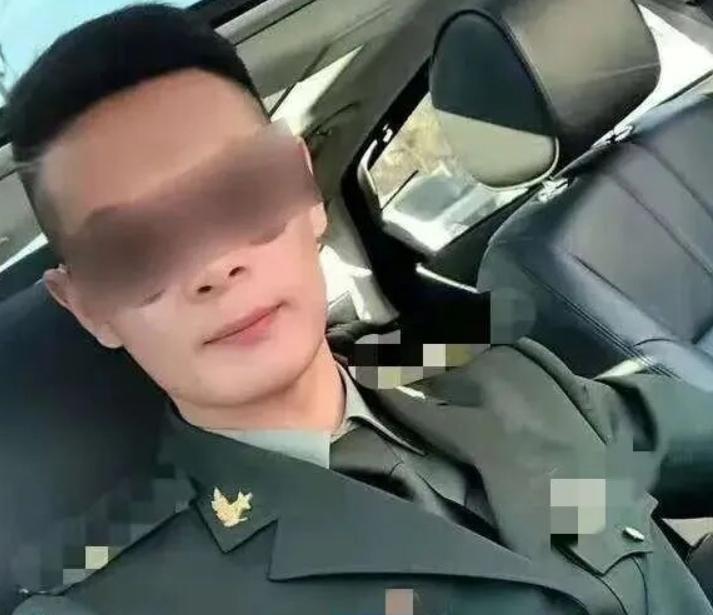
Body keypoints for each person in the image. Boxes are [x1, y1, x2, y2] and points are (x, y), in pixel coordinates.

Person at [5, 5, 713, 615]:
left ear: (304, 189)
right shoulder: (109, 602)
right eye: (133, 249)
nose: (213, 267)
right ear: (88, 308)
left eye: (239, 192)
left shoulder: (511, 379)